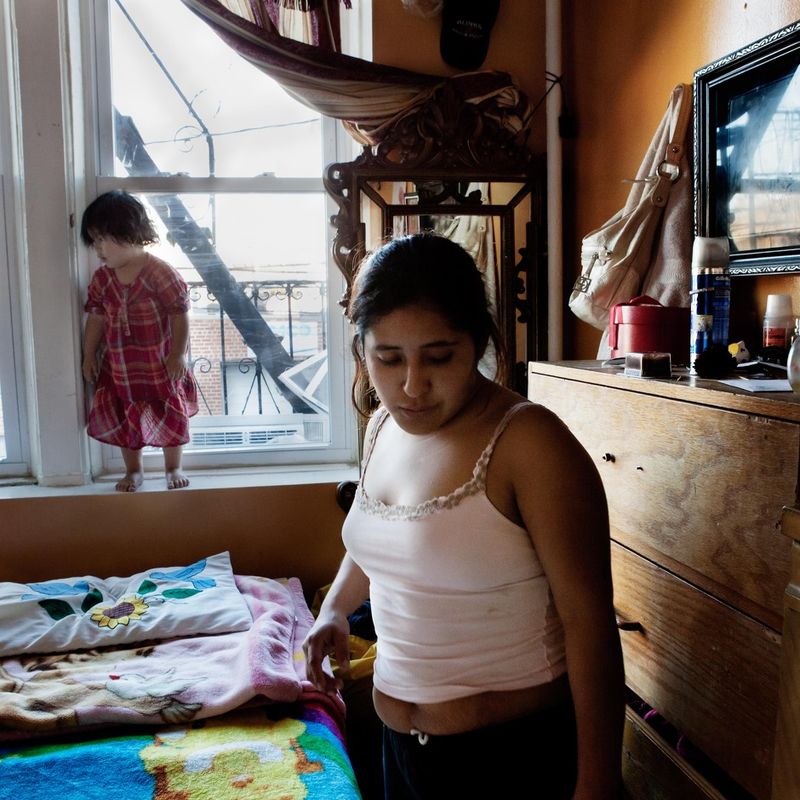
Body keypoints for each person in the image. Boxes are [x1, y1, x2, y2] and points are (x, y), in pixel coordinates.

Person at [303, 232, 624, 799]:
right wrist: (333, 610)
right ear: (362, 350)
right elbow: (379, 539)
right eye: (388, 358)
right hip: (397, 748)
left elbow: (591, 625)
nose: (411, 386)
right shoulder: (382, 426)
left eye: (439, 356)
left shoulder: (529, 444)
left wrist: (596, 785)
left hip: (507, 760)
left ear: (477, 343)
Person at [80, 190, 198, 492]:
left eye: (103, 239)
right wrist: (88, 355)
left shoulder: (160, 273)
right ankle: (134, 470)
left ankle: (174, 466)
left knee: (169, 412)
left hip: (159, 365)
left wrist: (177, 355)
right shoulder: (102, 279)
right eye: (94, 241)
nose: (98, 249)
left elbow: (179, 314)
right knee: (124, 417)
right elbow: (95, 318)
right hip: (121, 367)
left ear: (130, 233)